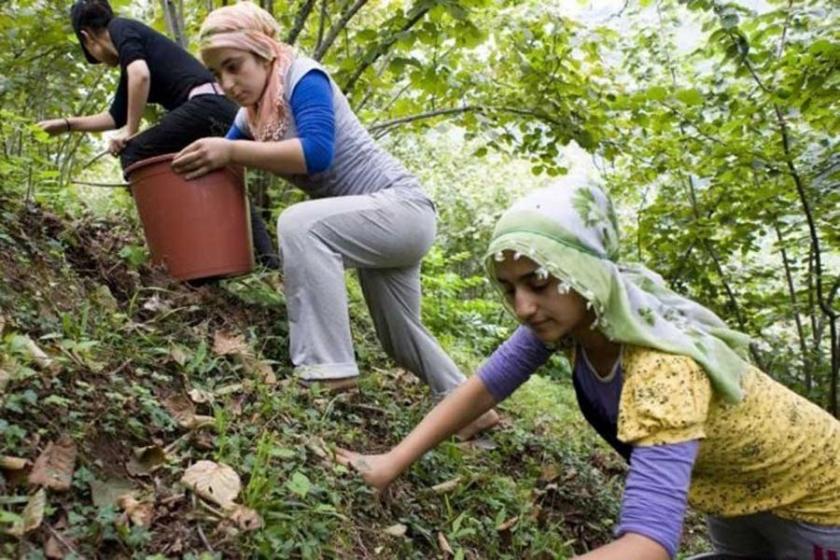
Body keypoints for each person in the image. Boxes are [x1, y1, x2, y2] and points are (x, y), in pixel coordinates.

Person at [337, 184, 840, 559]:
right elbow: (482, 389)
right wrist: (389, 462)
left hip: (819, 500)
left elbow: (648, 543)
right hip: (731, 489)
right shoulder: (578, 318)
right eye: (510, 288)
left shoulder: (663, 368)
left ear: (587, 274)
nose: (523, 306)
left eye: (537, 281)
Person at [170, 2, 497, 437]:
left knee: (299, 224)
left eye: (235, 66)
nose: (228, 84)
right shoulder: (250, 116)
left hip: (402, 207)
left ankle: (327, 372)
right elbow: (224, 168)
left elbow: (316, 152)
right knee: (399, 337)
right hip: (372, 223)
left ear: (265, 52)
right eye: (218, 74)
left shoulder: (303, 77)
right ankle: (471, 410)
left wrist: (229, 150)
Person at [37, 0, 277, 268]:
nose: (103, 64)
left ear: (86, 36)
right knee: (229, 180)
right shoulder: (134, 53)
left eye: (94, 57)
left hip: (204, 106)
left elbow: (140, 76)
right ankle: (269, 264)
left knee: (135, 152)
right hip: (225, 110)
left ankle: (174, 253)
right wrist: (67, 124)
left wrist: (130, 132)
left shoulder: (121, 28)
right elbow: (113, 116)